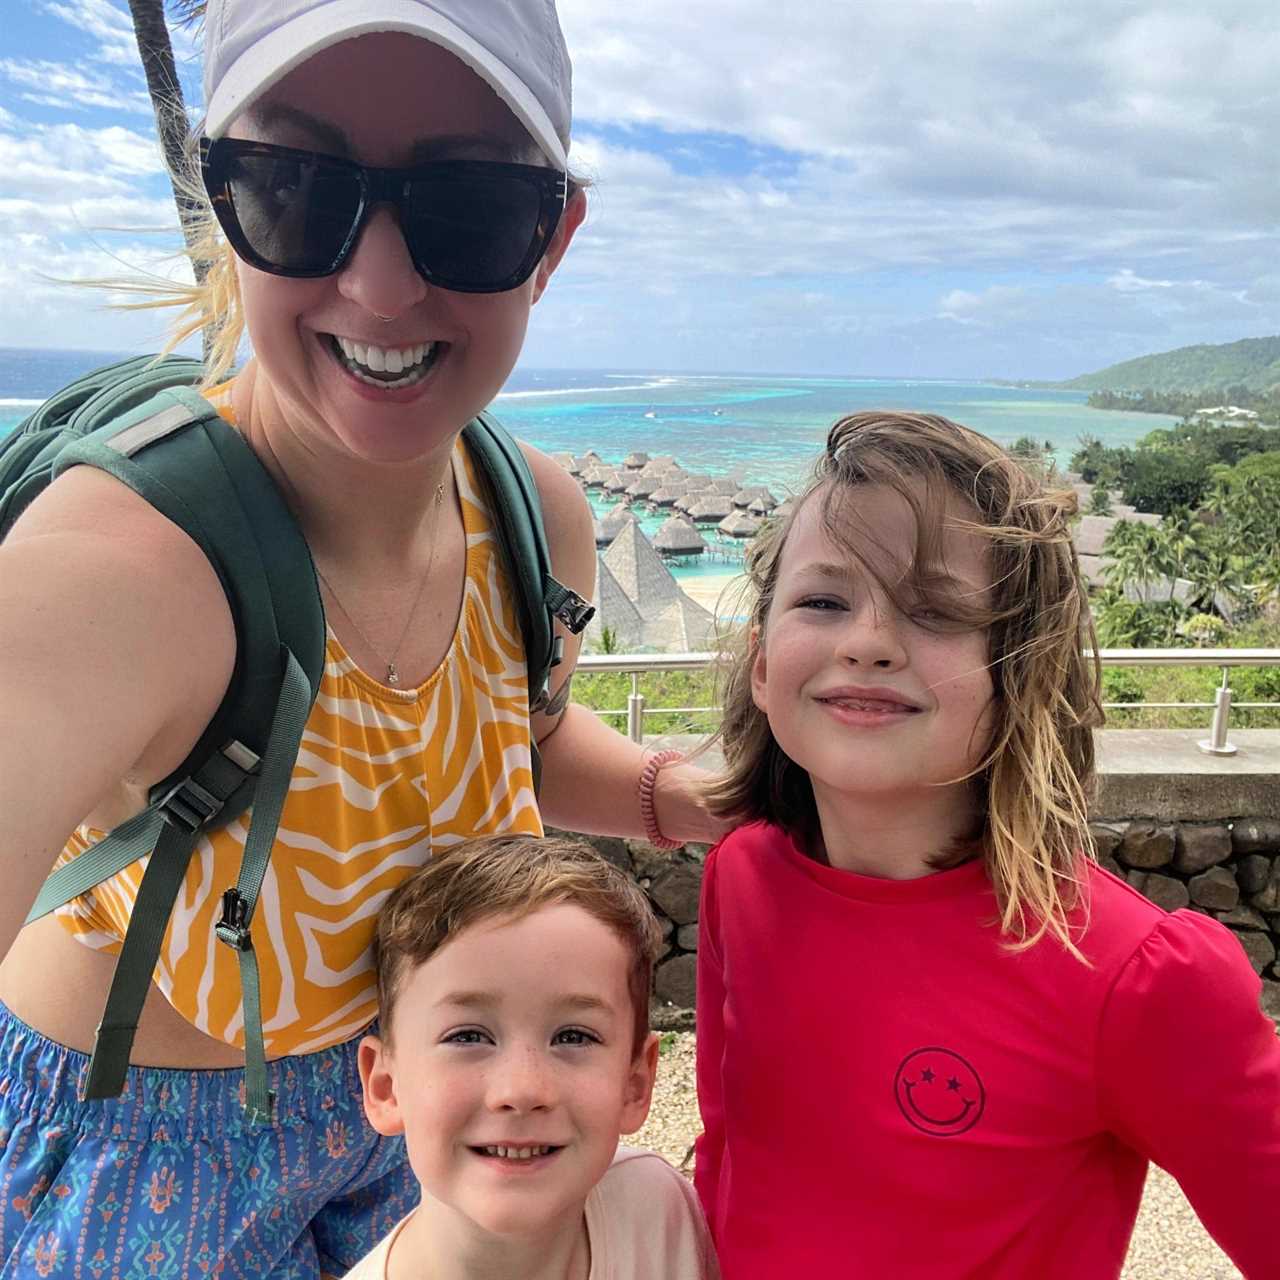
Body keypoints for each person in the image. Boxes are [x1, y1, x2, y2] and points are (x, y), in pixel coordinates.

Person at [0, 2, 720, 1275]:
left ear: (550, 238)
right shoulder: (115, 571)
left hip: (410, 1115)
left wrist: (686, 795)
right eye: (293, 185)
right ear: (222, 200)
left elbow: (521, 730)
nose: (381, 283)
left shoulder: (529, 511)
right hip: (150, 1157)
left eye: (469, 205)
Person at [694, 410, 1280, 1279]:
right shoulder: (739, 877)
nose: (866, 643)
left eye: (934, 610)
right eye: (823, 601)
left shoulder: (1135, 977)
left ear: (1022, 671)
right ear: (761, 662)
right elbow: (729, 1163)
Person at [351, 832, 718, 1280]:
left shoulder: (658, 1209)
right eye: (467, 1036)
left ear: (635, 1084)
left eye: (573, 1037)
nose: (522, 1090)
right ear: (385, 1087)